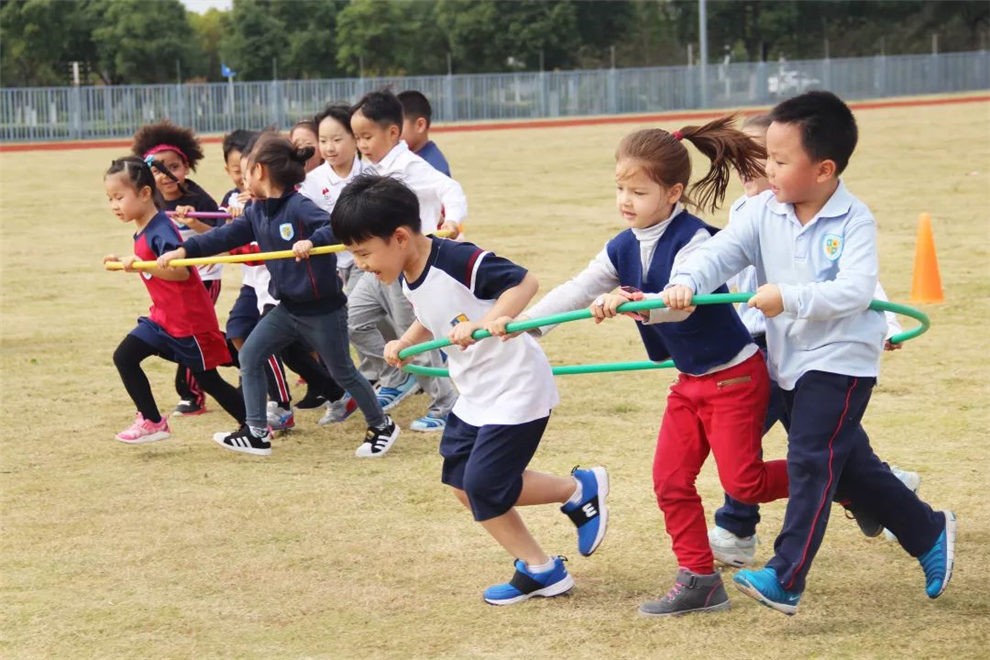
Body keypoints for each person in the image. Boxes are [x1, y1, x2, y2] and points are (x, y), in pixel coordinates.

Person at [664, 90, 954, 615]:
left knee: (811, 461)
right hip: (787, 361)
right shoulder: (761, 212)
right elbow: (719, 253)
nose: (766, 170)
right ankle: (927, 529)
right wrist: (684, 279)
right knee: (850, 468)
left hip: (842, 359)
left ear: (823, 169)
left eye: (778, 160)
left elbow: (855, 291)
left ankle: (786, 576)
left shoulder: (853, 222)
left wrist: (788, 298)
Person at [523, 117, 788, 616]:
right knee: (669, 481)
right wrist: (522, 328)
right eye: (620, 189)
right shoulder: (622, 245)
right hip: (690, 385)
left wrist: (629, 303)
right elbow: (578, 288)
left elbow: (680, 303)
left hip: (734, 379)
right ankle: (699, 580)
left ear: (672, 193)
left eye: (638, 191)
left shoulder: (696, 241)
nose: (625, 201)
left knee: (745, 483)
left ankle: (831, 475)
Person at [333, 173, 609, 605]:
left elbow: (524, 282)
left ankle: (578, 491)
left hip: (516, 388)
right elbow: (434, 312)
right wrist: (407, 341)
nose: (361, 265)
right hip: (477, 393)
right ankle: (542, 568)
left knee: (484, 485)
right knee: (463, 483)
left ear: (400, 237)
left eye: (364, 253)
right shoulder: (408, 271)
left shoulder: (455, 258)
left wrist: (494, 318)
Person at [708, 114, 920, 567]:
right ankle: (880, 489)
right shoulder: (748, 213)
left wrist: (889, 324)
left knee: (770, 437)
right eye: (744, 157)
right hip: (758, 341)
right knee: (810, 443)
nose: (754, 166)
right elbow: (718, 260)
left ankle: (736, 525)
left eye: (766, 156)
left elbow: (853, 282)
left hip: (797, 341)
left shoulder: (830, 213)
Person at [157, 133, 398, 458]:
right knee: (250, 354)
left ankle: (382, 426)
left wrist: (312, 241)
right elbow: (222, 238)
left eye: (245, 172)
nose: (242, 180)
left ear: (260, 171)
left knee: (342, 372)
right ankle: (256, 433)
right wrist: (183, 250)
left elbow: (336, 227)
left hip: (323, 310)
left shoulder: (298, 206)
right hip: (287, 308)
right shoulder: (257, 212)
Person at [103, 157, 246, 444]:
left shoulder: (162, 229)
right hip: (163, 319)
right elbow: (152, 264)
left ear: (145, 193)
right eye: (110, 199)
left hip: (188, 321)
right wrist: (124, 261)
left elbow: (179, 272)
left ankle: (253, 424)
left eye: (119, 197)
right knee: (125, 356)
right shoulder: (144, 228)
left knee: (208, 379)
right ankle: (152, 421)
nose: (114, 205)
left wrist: (140, 265)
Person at [347, 89, 465, 432]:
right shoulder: (370, 168)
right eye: (357, 138)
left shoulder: (410, 166)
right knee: (351, 321)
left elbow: (450, 190)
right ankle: (398, 375)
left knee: (415, 336)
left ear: (393, 133)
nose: (362, 144)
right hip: (375, 264)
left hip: (407, 264)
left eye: (367, 136)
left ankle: (445, 404)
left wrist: (452, 220)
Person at [132, 120, 223, 418]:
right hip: (169, 282)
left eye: (174, 166)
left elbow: (221, 231)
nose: (167, 175)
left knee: (192, 336)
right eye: (158, 169)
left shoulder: (197, 198)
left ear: (187, 166)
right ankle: (241, 354)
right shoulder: (151, 200)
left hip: (203, 277)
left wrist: (194, 221)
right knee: (193, 336)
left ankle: (193, 394)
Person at [397, 90, 451, 176]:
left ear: (420, 125)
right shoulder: (400, 156)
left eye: (398, 125)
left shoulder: (434, 169)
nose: (392, 133)